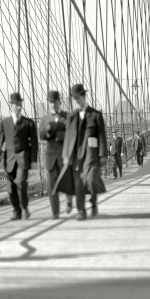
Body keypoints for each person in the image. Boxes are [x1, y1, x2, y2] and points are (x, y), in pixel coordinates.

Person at [60, 84, 108, 221]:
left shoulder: (95, 115)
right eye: (74, 99)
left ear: (84, 97)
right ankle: (81, 211)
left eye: (78, 98)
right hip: (76, 156)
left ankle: (93, 201)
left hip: (91, 155)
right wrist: (65, 155)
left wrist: (103, 154)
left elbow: (101, 136)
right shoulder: (71, 117)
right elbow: (68, 138)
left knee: (91, 180)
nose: (76, 101)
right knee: (79, 185)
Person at [0, 93, 38, 220]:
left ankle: (24, 208)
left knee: (20, 184)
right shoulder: (4, 122)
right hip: (9, 160)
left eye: (20, 104)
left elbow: (34, 143)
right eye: (15, 104)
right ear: (11, 105)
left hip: (23, 159)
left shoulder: (29, 123)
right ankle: (17, 211)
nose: (18, 107)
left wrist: (33, 160)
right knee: (11, 188)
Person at [39, 90, 74, 219]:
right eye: (50, 102)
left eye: (54, 102)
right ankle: (55, 212)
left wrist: (59, 135)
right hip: (51, 157)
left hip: (65, 155)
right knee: (51, 186)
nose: (52, 104)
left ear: (60, 102)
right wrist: (48, 133)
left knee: (67, 182)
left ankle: (69, 200)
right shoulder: (45, 119)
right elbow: (41, 135)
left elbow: (72, 133)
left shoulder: (68, 116)